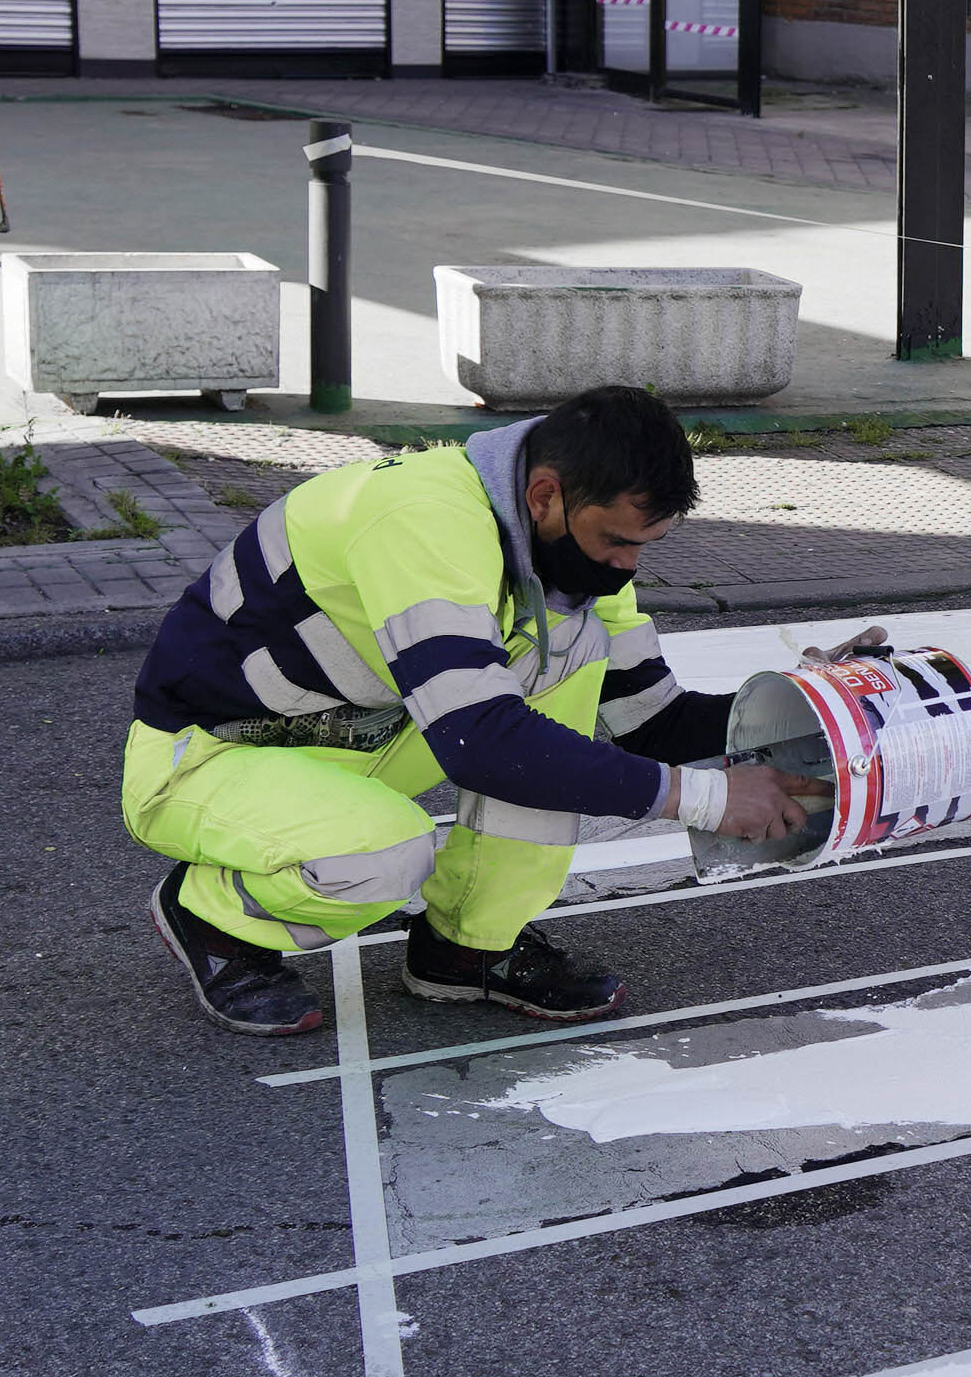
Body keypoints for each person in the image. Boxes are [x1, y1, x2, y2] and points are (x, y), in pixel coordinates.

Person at [122, 386, 846, 1037]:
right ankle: (213, 916)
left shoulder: (573, 555)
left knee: (568, 659)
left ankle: (466, 945)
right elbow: (481, 743)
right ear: (543, 495)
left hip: (355, 739)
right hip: (207, 754)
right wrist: (708, 800)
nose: (627, 567)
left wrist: (821, 702)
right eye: (618, 541)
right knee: (384, 853)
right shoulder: (422, 520)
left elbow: (653, 722)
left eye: (643, 547)